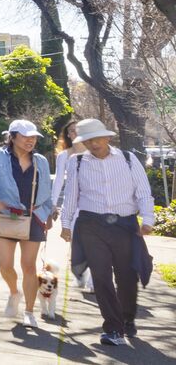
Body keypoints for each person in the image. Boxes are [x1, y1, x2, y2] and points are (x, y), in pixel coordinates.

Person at [57, 119, 156, 348]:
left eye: (97, 138)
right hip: (91, 225)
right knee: (100, 277)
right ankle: (112, 328)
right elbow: (71, 195)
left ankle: (127, 319)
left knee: (127, 277)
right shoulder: (77, 162)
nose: (93, 144)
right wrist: (65, 224)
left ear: (108, 137)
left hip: (125, 225)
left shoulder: (128, 159)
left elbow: (143, 192)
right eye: (87, 140)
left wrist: (148, 220)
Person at [0, 118, 54, 328]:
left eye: (34, 137)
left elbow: (46, 188)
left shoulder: (41, 160)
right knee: (5, 266)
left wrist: (49, 212)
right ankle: (14, 292)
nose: (31, 141)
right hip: (6, 216)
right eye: (25, 136)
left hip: (34, 216)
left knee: (29, 266)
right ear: (12, 137)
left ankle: (29, 311)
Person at [49, 120, 92, 294]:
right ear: (68, 134)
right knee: (76, 242)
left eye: (78, 130)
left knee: (95, 243)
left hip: (93, 204)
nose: (75, 133)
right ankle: (80, 274)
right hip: (72, 205)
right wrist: (53, 204)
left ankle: (94, 281)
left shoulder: (94, 152)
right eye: (72, 131)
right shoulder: (64, 156)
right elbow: (59, 180)